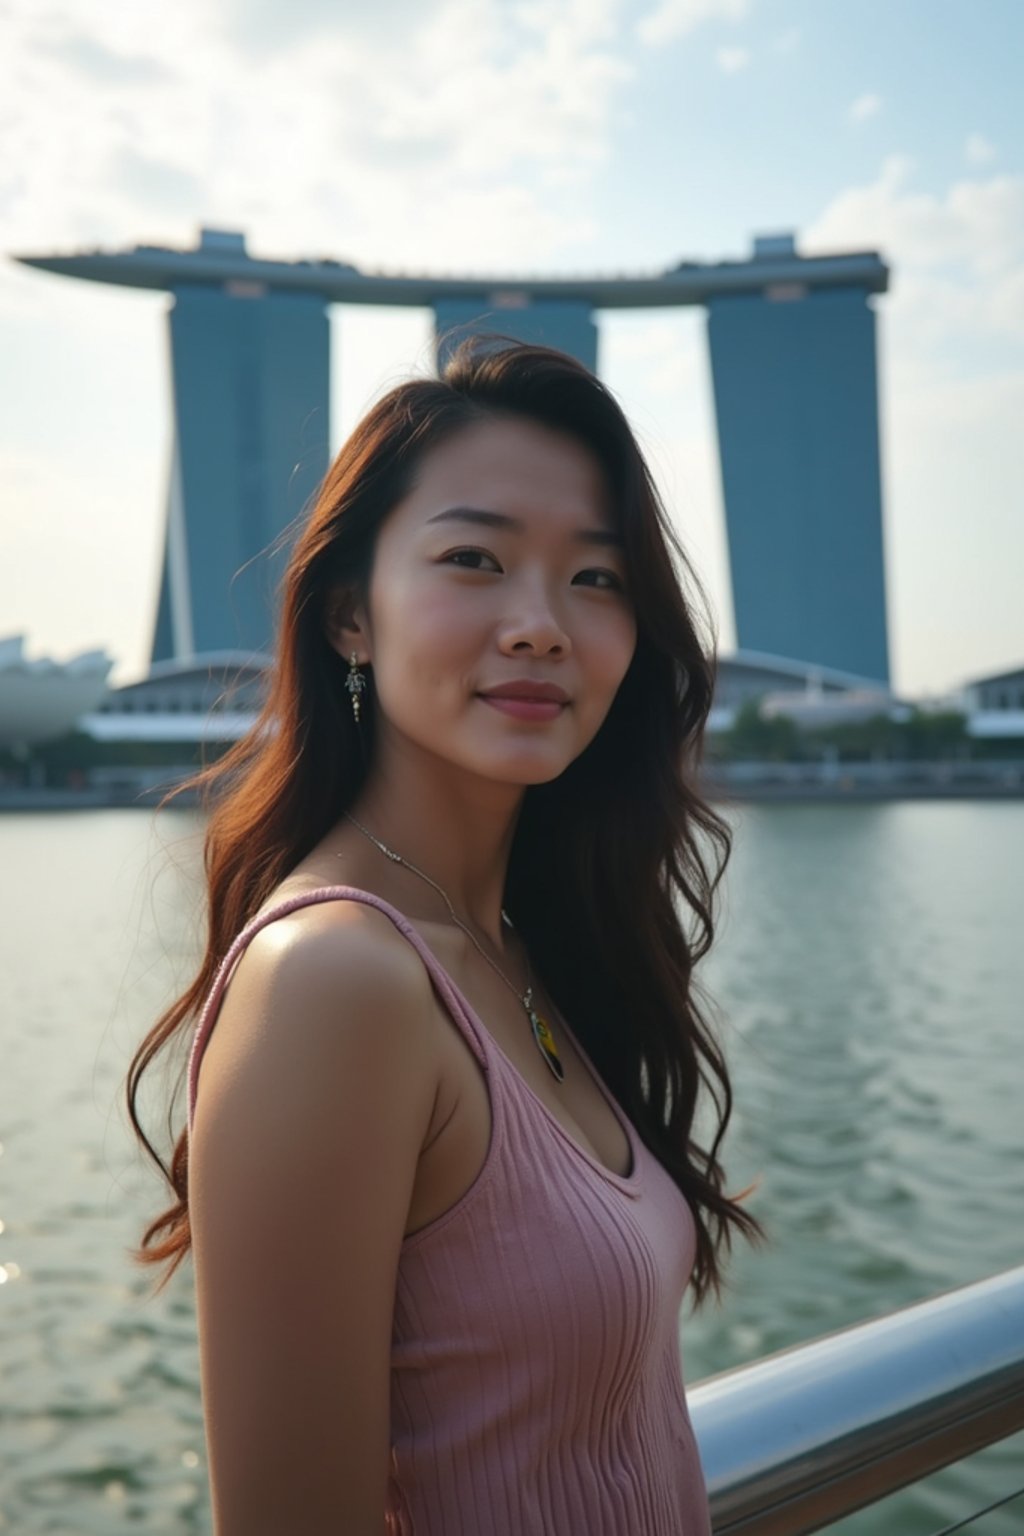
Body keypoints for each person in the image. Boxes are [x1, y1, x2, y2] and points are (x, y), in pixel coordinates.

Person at [127, 335, 763, 1535]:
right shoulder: (336, 980)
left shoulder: (514, 947)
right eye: (473, 559)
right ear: (348, 619)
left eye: (597, 577)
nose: (540, 625)